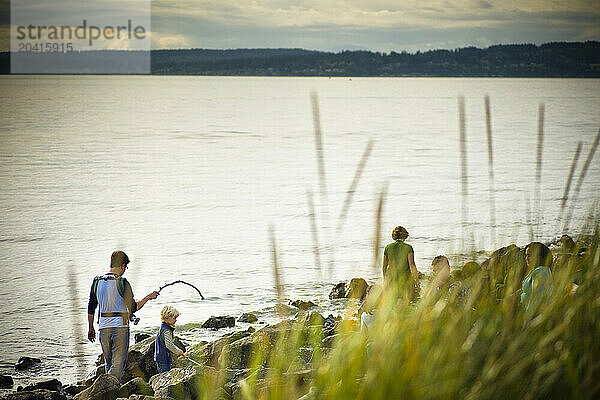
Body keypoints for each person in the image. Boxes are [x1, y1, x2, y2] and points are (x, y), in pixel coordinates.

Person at [87, 250, 159, 382]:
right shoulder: (122, 283)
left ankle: (109, 389)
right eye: (125, 267)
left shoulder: (97, 282)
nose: (125, 270)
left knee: (109, 364)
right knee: (118, 366)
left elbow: (91, 307)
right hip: (120, 328)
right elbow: (133, 307)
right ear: (122, 266)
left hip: (103, 329)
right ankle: (109, 388)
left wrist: (90, 328)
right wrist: (148, 297)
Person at [382, 226, 419, 293]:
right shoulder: (408, 248)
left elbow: (384, 267)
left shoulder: (388, 247)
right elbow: (412, 266)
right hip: (405, 279)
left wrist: (385, 280)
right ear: (405, 235)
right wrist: (417, 282)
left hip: (391, 279)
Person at [520, 242, 553, 309]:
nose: (526, 258)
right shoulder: (537, 270)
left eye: (529, 255)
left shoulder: (541, 272)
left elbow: (536, 299)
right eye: (525, 255)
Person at [154, 305, 186, 373]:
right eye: (174, 318)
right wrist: (178, 351)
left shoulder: (164, 328)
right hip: (163, 359)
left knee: (165, 373)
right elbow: (169, 345)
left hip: (162, 357)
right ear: (166, 318)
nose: (176, 320)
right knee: (164, 374)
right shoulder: (166, 331)